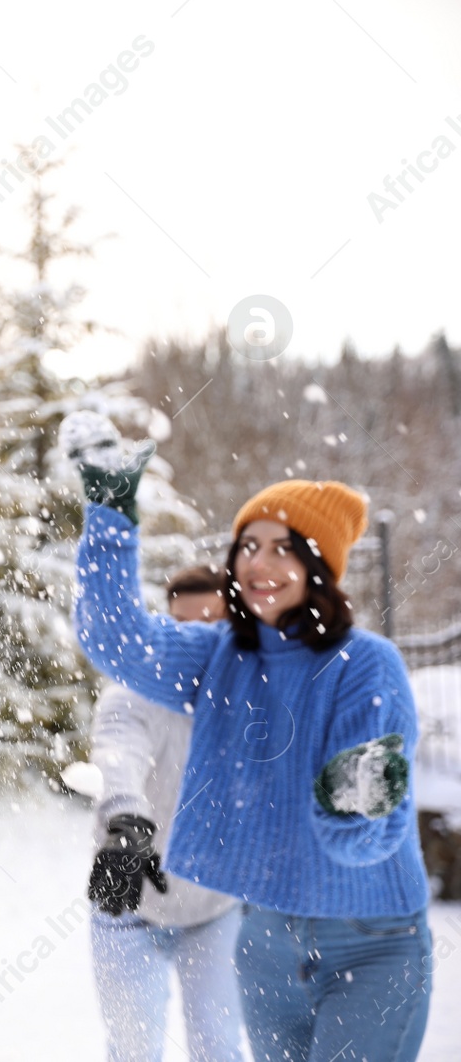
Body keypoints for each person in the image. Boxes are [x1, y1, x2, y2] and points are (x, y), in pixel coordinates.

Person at [68, 427, 431, 1062]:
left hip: (371, 942)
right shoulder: (221, 655)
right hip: (265, 937)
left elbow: (367, 838)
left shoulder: (366, 665)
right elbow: (117, 642)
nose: (257, 565)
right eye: (248, 546)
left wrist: (355, 799)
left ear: (320, 568)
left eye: (283, 550)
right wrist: (110, 517)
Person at [86, 565, 244, 1062]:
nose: (196, 639)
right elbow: (117, 757)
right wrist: (127, 821)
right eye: (182, 626)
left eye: (211, 625)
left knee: (217, 1046)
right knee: (134, 1050)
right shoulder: (133, 692)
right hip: (129, 902)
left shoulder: (250, 700)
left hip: (214, 909)